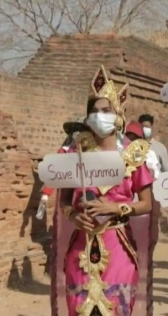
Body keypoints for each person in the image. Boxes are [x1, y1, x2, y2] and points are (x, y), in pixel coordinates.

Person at [53, 66, 155, 316]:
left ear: (118, 113)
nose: (99, 116)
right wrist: (74, 216)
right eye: (94, 111)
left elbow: (146, 203)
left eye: (106, 111)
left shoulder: (132, 154)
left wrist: (117, 207)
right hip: (81, 245)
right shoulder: (75, 153)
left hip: (118, 242)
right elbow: (65, 201)